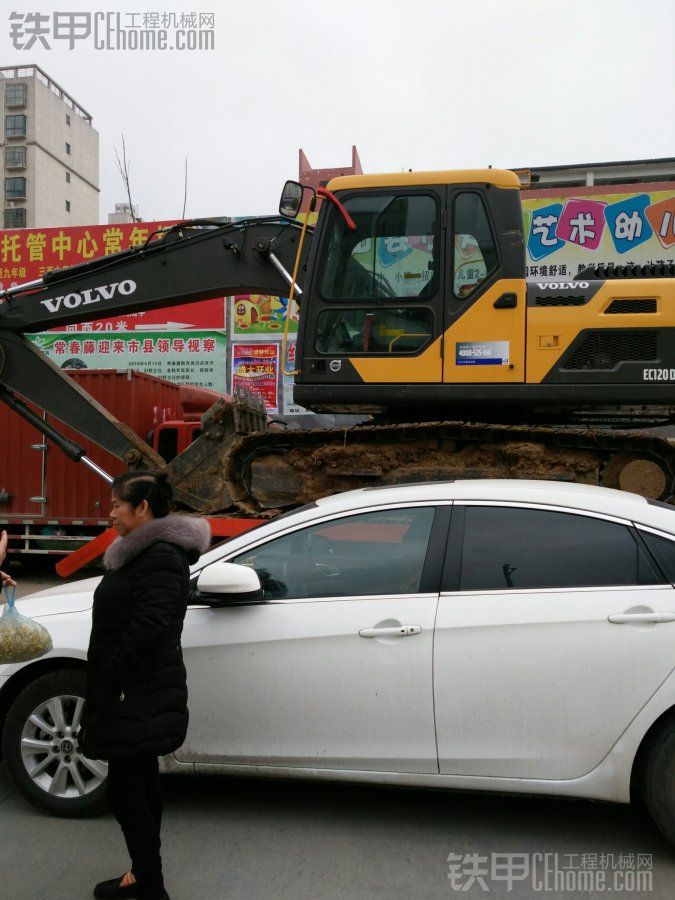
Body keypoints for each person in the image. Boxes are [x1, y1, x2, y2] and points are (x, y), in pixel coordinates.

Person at [80, 471, 210, 900]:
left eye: (118, 503)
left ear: (143, 507)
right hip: (138, 690)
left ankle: (149, 886)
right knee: (140, 781)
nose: (111, 511)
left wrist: (110, 676)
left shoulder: (159, 556)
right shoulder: (143, 553)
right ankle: (143, 876)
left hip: (135, 691)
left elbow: (149, 627)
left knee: (125, 790)